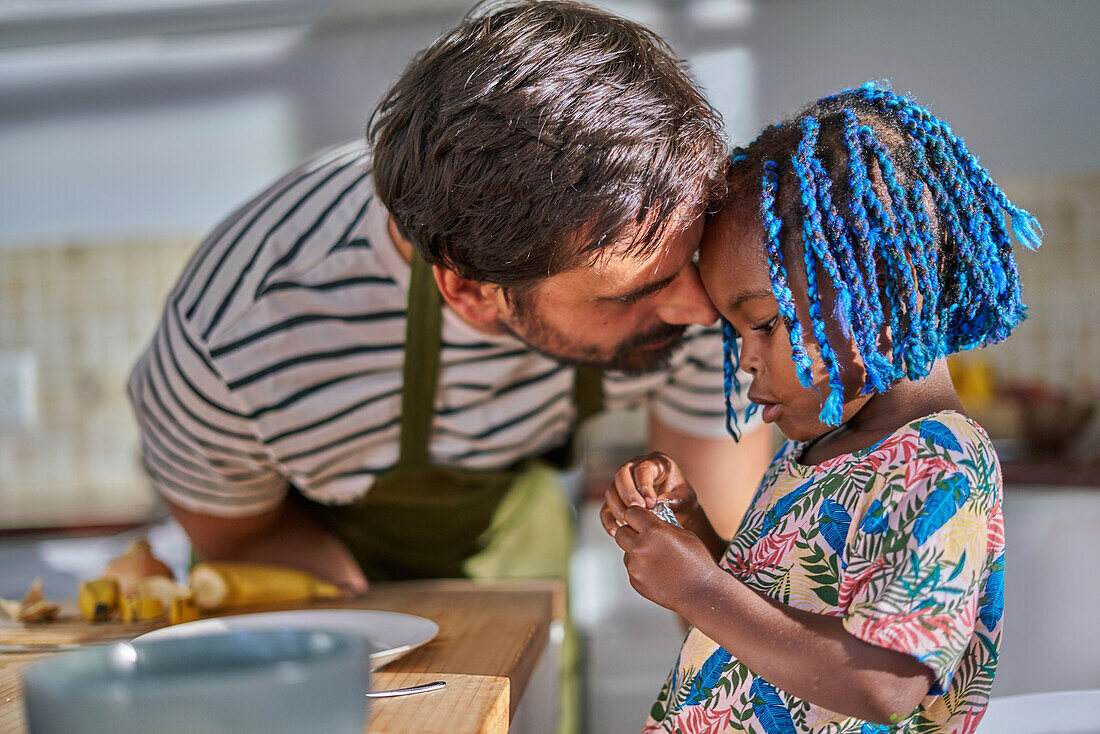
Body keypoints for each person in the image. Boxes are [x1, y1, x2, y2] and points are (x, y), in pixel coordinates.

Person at [128, 2, 771, 731]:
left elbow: (727, 567)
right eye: (640, 291)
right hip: (325, 590)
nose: (699, 309)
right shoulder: (238, 337)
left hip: (523, 540)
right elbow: (239, 538)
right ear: (468, 291)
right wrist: (375, 642)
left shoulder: (702, 269)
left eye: (689, 262)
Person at [601, 82, 1040, 733]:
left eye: (765, 325)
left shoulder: (941, 460)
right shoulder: (814, 454)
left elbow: (882, 683)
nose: (746, 360)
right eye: (736, 333)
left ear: (882, 293)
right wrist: (691, 534)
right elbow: (753, 632)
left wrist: (700, 587)